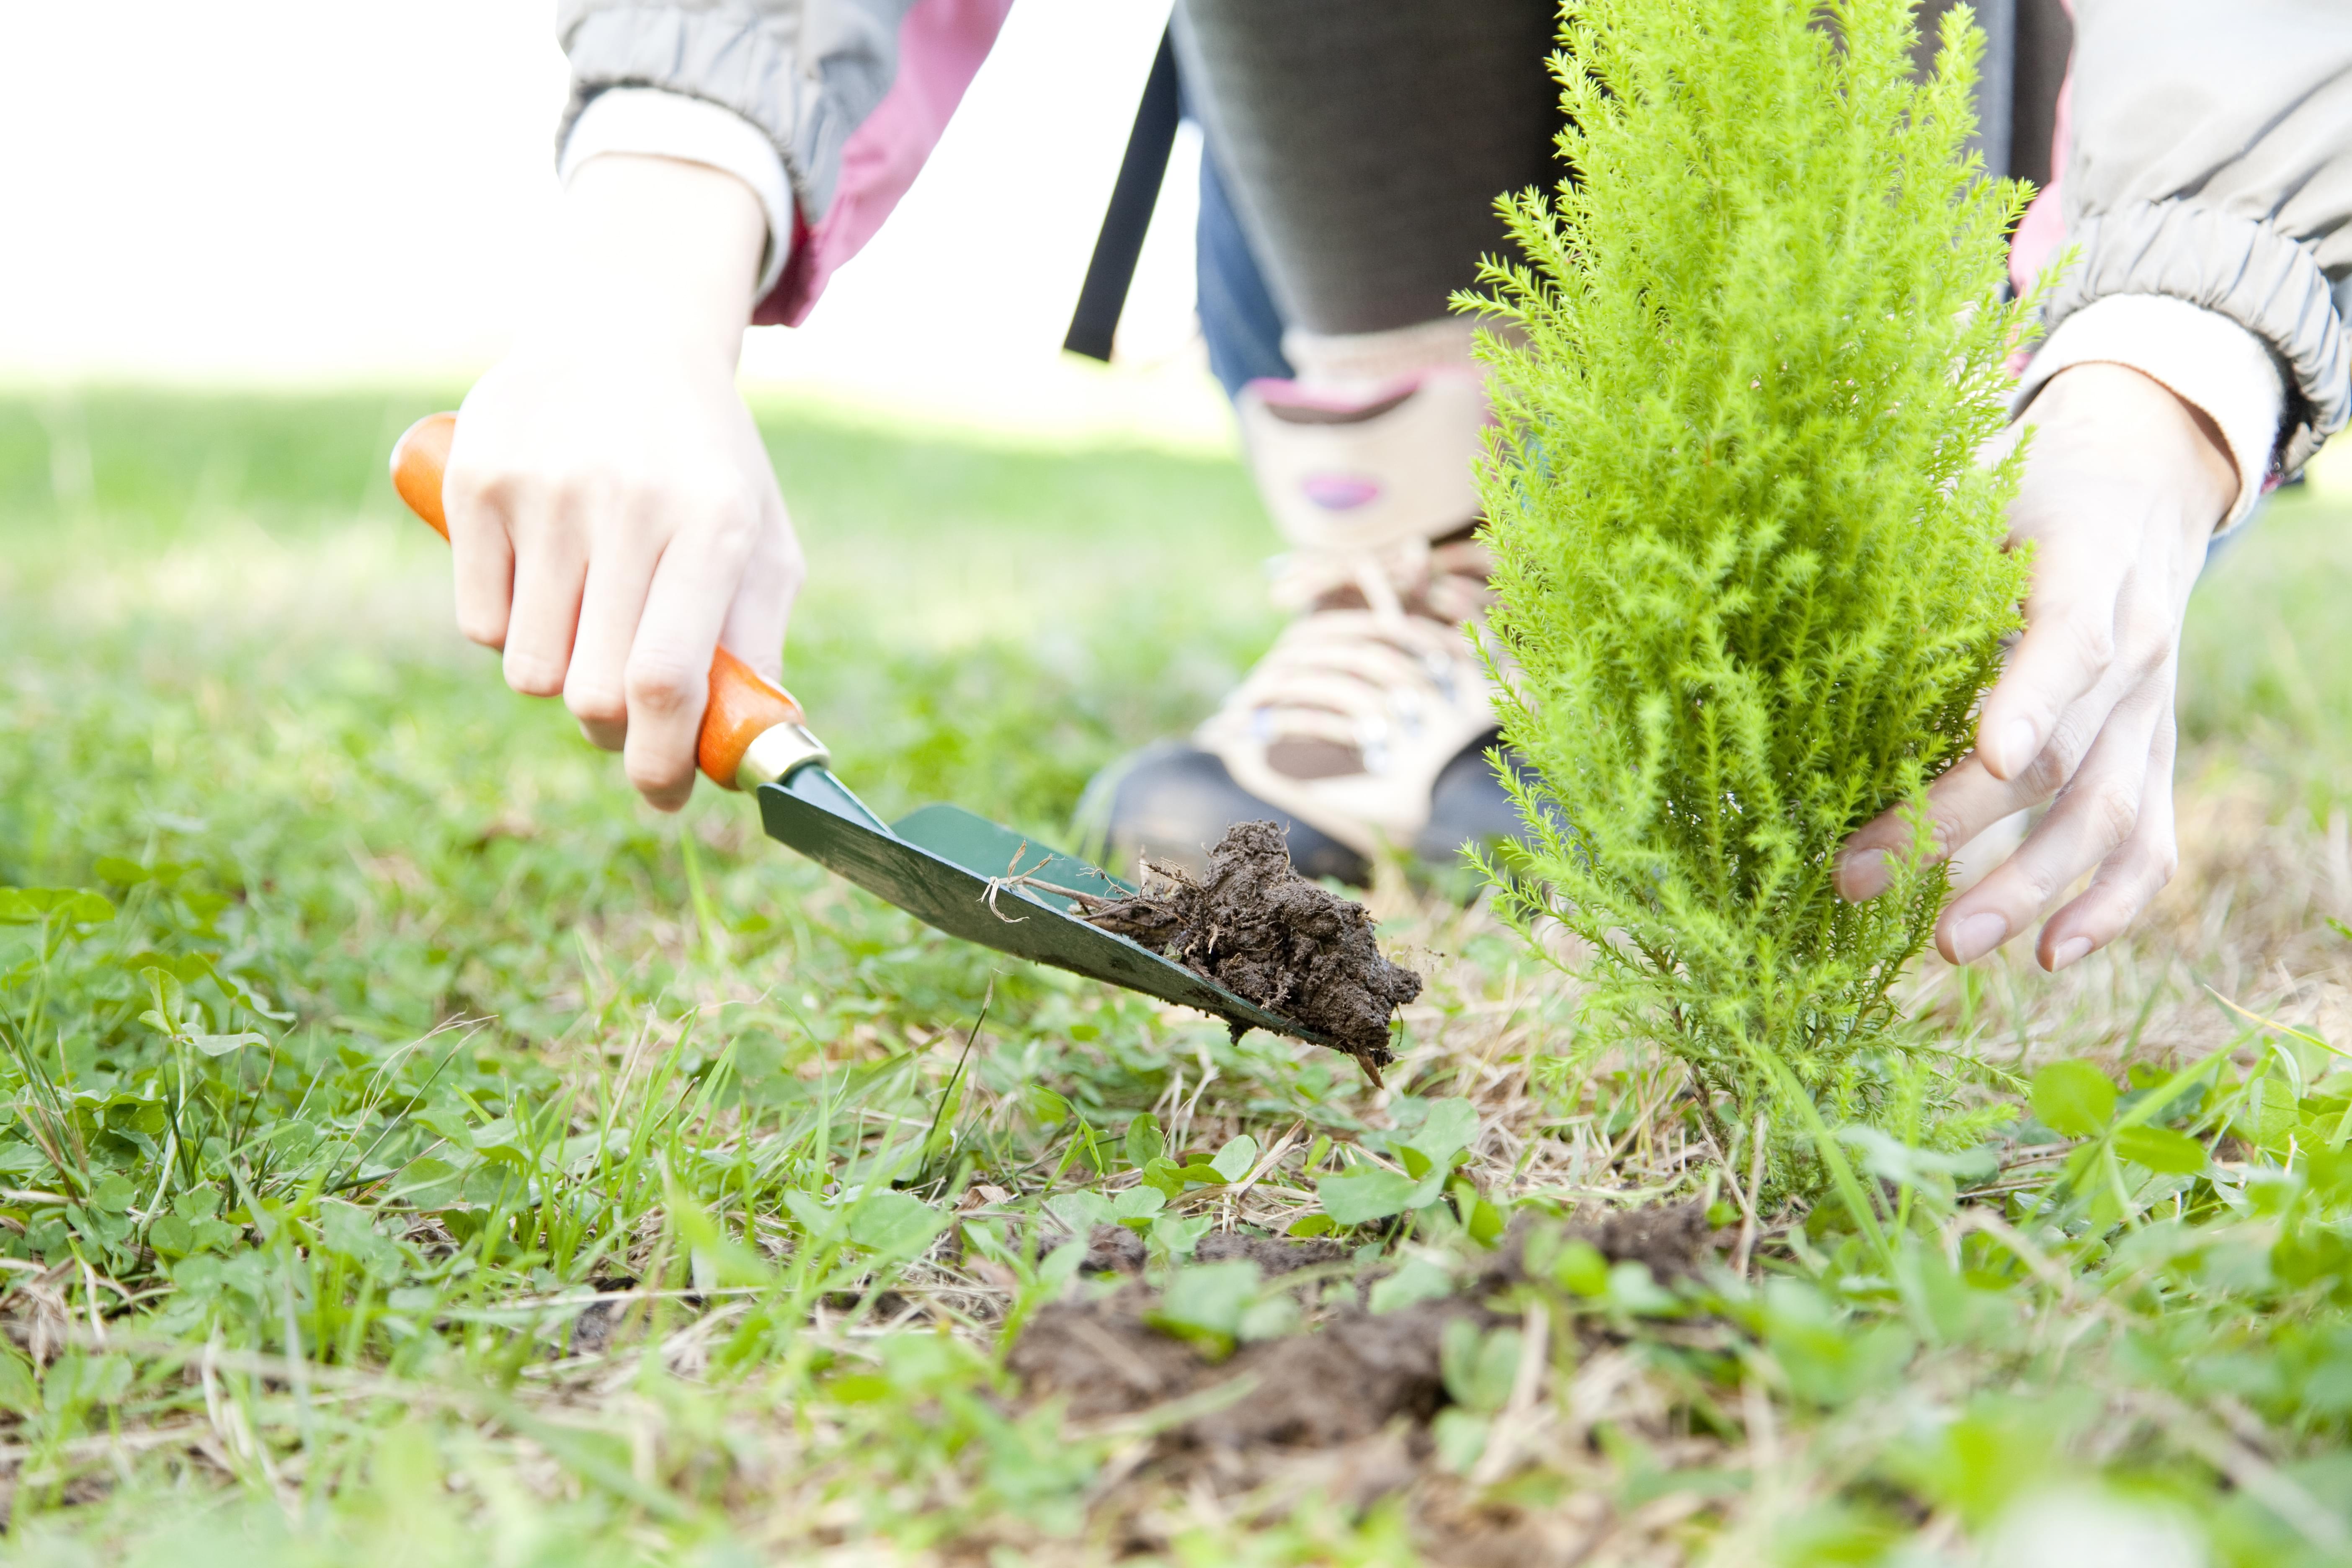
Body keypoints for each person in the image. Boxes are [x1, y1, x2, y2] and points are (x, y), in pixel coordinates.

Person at [442, 0, 2350, 977]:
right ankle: (1439, 573)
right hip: (1373, 208)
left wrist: (2163, 389)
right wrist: (652, 265)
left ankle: (1762, 604)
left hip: (1900, 177)